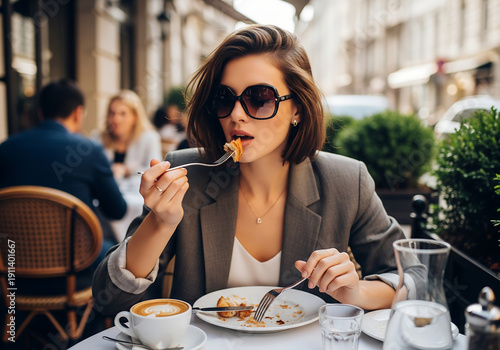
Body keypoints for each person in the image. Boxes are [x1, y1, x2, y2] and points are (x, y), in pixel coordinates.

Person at [93, 25, 405, 315]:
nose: (237, 115)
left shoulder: (347, 182)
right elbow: (110, 299)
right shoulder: (188, 177)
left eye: (259, 98)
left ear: (297, 107)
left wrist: (355, 292)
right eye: (224, 98)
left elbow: (410, 279)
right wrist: (160, 223)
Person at [0, 78, 127, 291]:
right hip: (77, 266)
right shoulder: (89, 150)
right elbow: (117, 210)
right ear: (78, 113)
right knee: (120, 255)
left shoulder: (5, 149)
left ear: (40, 113)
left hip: (13, 267)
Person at [99, 90, 162, 179]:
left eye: (123, 114)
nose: (116, 119)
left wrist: (127, 170)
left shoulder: (150, 138)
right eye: (112, 113)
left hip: (137, 191)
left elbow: (156, 170)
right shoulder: (99, 139)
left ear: (135, 117)